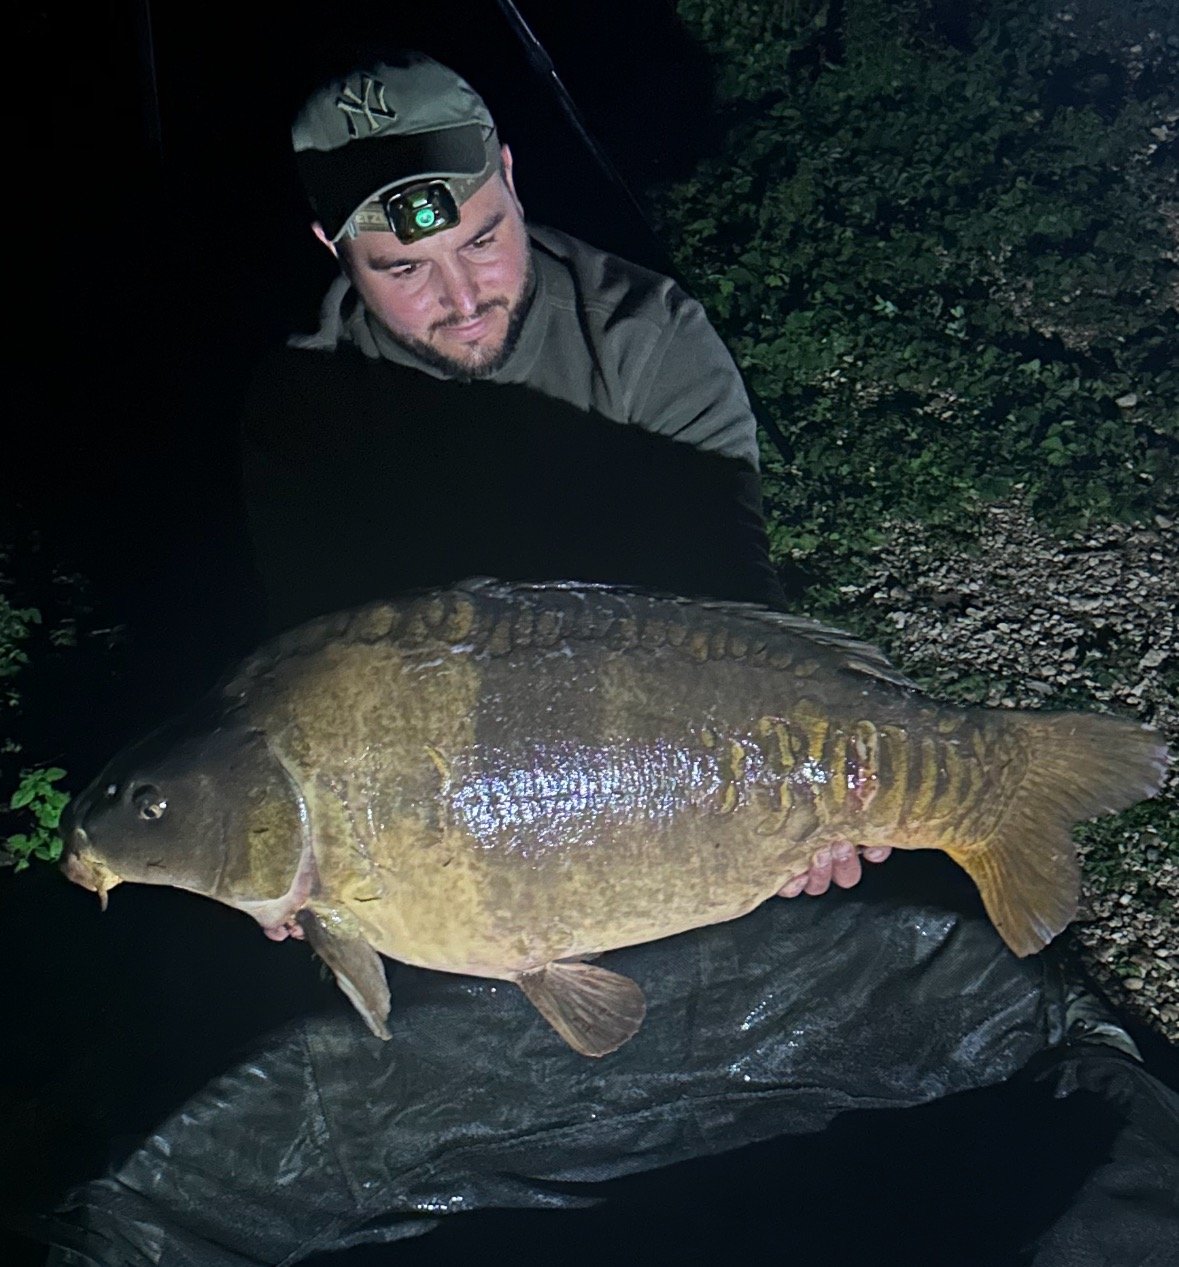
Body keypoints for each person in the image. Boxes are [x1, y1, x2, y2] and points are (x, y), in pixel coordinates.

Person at [242, 51, 892, 900]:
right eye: (404, 270)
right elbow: (315, 677)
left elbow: (733, 593)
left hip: (664, 747)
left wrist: (810, 779)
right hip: (442, 792)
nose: (464, 296)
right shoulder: (302, 408)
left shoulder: (645, 336)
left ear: (510, 176)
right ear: (333, 248)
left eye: (482, 240)